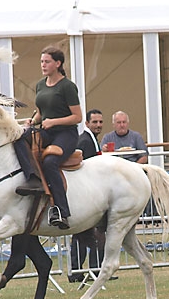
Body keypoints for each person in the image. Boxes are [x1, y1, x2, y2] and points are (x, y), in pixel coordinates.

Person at [14, 46, 82, 230]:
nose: (43, 65)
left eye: (47, 61)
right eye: (42, 61)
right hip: (46, 130)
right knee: (19, 138)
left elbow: (77, 117)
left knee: (50, 162)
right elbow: (42, 112)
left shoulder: (67, 86)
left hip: (65, 134)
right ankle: (32, 178)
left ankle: (61, 210)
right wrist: (33, 120)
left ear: (58, 64)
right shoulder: (40, 84)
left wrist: (53, 122)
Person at [68, 109, 113, 282]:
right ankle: (82, 271)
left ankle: (86, 270)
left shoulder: (90, 139)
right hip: (86, 194)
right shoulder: (85, 140)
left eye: (100, 122)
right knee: (87, 232)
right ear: (86, 123)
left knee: (88, 233)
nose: (98, 125)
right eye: (95, 122)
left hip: (88, 193)